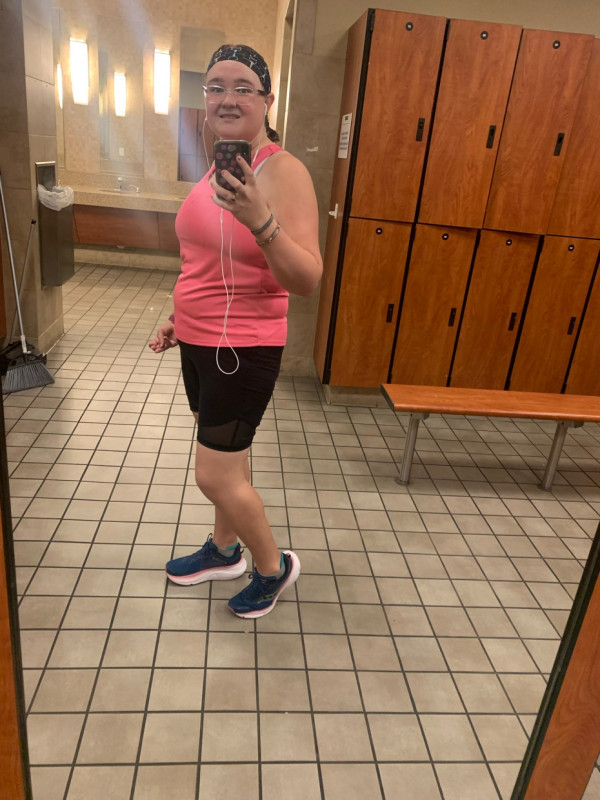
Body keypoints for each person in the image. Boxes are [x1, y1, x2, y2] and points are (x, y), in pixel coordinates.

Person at [149, 44, 322, 618]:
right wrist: (182, 316)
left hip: (242, 349)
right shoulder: (222, 164)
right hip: (201, 341)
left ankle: (273, 568)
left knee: (214, 474)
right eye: (216, 86)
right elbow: (206, 259)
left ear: (267, 100)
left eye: (243, 87)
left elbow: (307, 278)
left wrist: (259, 219)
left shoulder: (282, 171)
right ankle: (224, 552)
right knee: (230, 457)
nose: (227, 98)